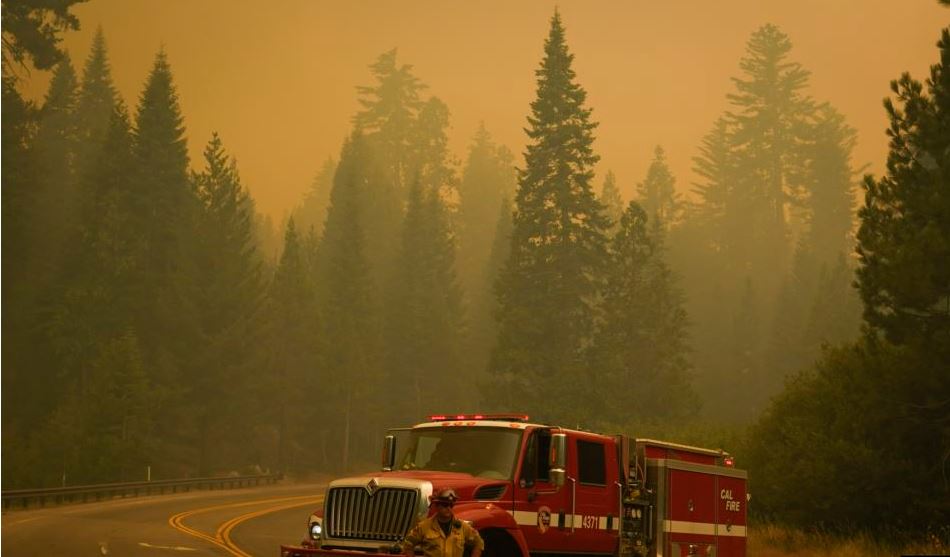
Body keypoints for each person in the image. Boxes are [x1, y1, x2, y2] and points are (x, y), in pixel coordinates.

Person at [401, 488, 484, 557]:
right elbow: (408, 544)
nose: (448, 508)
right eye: (445, 505)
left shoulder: (462, 526)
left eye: (451, 505)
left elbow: (479, 543)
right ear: (437, 506)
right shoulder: (424, 526)